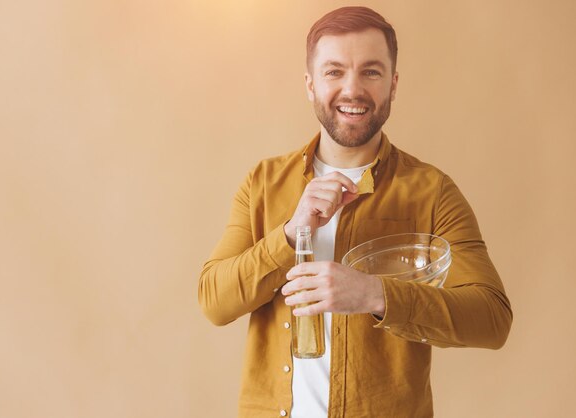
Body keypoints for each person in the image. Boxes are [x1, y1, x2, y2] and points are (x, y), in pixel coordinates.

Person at [198, 6, 512, 418]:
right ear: (310, 85)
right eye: (334, 72)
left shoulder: (433, 192)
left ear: (393, 84)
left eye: (371, 72)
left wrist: (374, 294)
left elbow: (491, 319)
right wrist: (290, 234)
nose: (353, 89)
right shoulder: (263, 182)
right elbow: (214, 301)